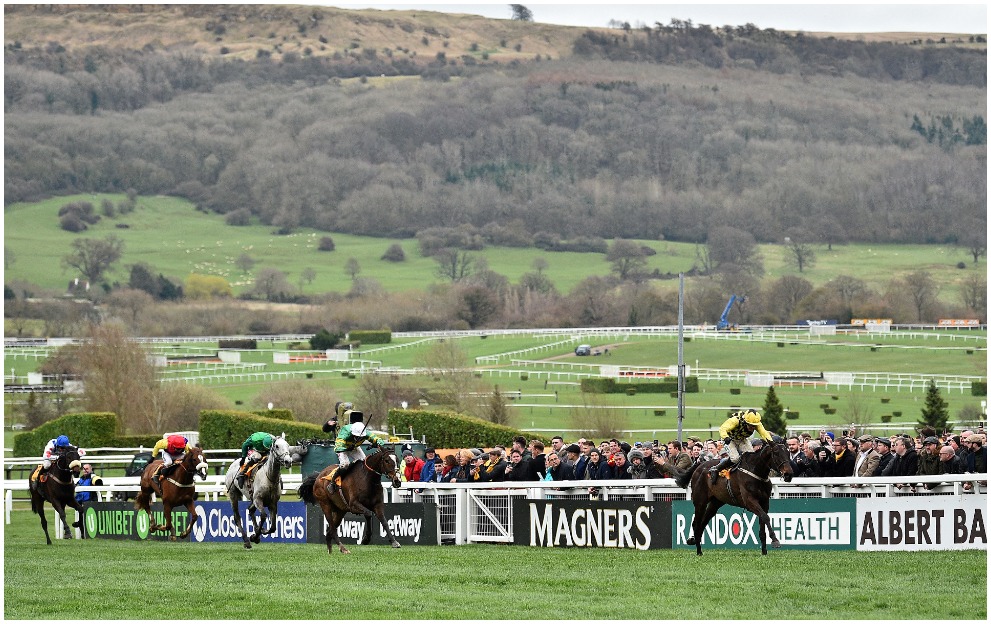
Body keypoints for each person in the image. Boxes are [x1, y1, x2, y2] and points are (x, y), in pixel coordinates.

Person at [327, 408, 386, 498]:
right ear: (352, 433)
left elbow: (379, 440)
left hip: (354, 448)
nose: (359, 438)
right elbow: (338, 445)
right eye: (357, 436)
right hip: (342, 449)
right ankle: (332, 482)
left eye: (361, 437)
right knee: (345, 464)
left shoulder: (366, 432)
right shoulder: (345, 431)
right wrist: (345, 448)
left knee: (365, 463)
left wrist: (376, 443)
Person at [708, 409, 773, 484]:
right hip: (729, 439)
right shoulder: (735, 420)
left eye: (754, 426)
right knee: (735, 458)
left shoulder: (757, 423)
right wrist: (725, 437)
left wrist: (772, 443)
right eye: (751, 425)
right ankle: (716, 469)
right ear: (745, 422)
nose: (753, 428)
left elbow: (764, 433)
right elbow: (723, 428)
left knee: (751, 458)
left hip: (742, 439)